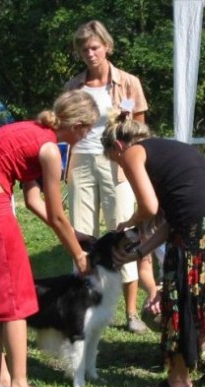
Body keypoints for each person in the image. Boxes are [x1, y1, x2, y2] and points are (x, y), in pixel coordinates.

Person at [0, 90, 99, 387]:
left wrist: (74, 233)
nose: (85, 137)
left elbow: (34, 202)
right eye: (88, 129)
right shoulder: (49, 150)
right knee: (15, 295)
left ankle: (1, 379)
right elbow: (56, 214)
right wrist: (78, 254)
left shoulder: (31, 130)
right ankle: (20, 384)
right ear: (79, 124)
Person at [103, 115, 205, 387]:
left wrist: (129, 222)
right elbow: (170, 219)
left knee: (181, 294)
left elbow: (149, 206)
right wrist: (141, 251)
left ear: (118, 147)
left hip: (197, 221)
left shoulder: (134, 152)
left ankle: (179, 380)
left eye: (114, 160)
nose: (120, 167)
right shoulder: (170, 149)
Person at [64, 19, 149, 334]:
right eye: (84, 49)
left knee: (123, 231)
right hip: (81, 162)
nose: (90, 53)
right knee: (82, 234)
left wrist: (133, 164)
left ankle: (130, 312)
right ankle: (83, 304)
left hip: (117, 163)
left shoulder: (128, 83)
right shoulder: (73, 86)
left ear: (107, 47)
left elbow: (138, 130)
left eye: (95, 47)